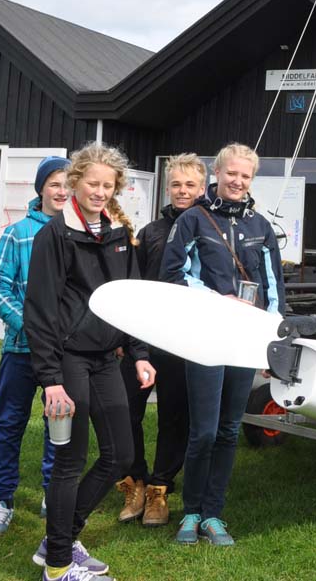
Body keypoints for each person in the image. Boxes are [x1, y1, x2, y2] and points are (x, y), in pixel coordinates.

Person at [25, 142, 156, 581]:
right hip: (66, 362)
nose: (100, 192)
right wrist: (51, 380)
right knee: (70, 461)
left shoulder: (119, 231)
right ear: (75, 181)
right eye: (92, 183)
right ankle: (59, 566)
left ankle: (57, 540)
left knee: (121, 455)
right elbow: (39, 311)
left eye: (108, 185)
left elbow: (131, 300)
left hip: (105, 359)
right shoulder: (55, 235)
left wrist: (138, 354)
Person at [161, 142, 286, 547]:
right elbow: (172, 275)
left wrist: (273, 342)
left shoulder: (261, 227)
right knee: (204, 432)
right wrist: (218, 299)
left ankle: (214, 514)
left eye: (245, 175)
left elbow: (274, 290)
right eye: (232, 173)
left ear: (252, 179)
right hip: (206, 337)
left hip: (244, 339)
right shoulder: (194, 219)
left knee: (230, 430)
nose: (237, 181)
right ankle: (191, 511)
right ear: (217, 173)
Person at [115, 154, 207, 527]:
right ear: (167, 188)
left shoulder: (211, 229)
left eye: (190, 185)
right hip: (144, 338)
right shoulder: (150, 232)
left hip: (184, 340)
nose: (182, 191)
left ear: (202, 188)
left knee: (174, 416)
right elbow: (133, 288)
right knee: (125, 411)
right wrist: (127, 338)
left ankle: (159, 490)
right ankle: (135, 481)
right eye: (176, 184)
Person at [0, 156, 69, 536]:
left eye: (68, 183)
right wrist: (31, 327)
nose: (62, 191)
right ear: (41, 189)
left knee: (59, 428)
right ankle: (2, 500)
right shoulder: (17, 234)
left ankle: (53, 492)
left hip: (64, 354)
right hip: (20, 351)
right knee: (10, 425)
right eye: (54, 184)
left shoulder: (79, 233)